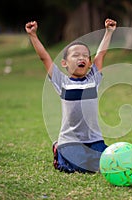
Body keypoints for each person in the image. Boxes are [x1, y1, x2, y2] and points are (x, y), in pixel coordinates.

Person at [25, 18, 117, 173]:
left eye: (85, 56)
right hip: (70, 140)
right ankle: (59, 150)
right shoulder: (61, 82)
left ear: (89, 63)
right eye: (75, 55)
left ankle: (86, 155)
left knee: (107, 165)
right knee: (80, 168)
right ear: (64, 63)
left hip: (94, 139)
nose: (81, 58)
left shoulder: (93, 80)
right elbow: (44, 57)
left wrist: (108, 32)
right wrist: (33, 35)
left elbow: (100, 55)